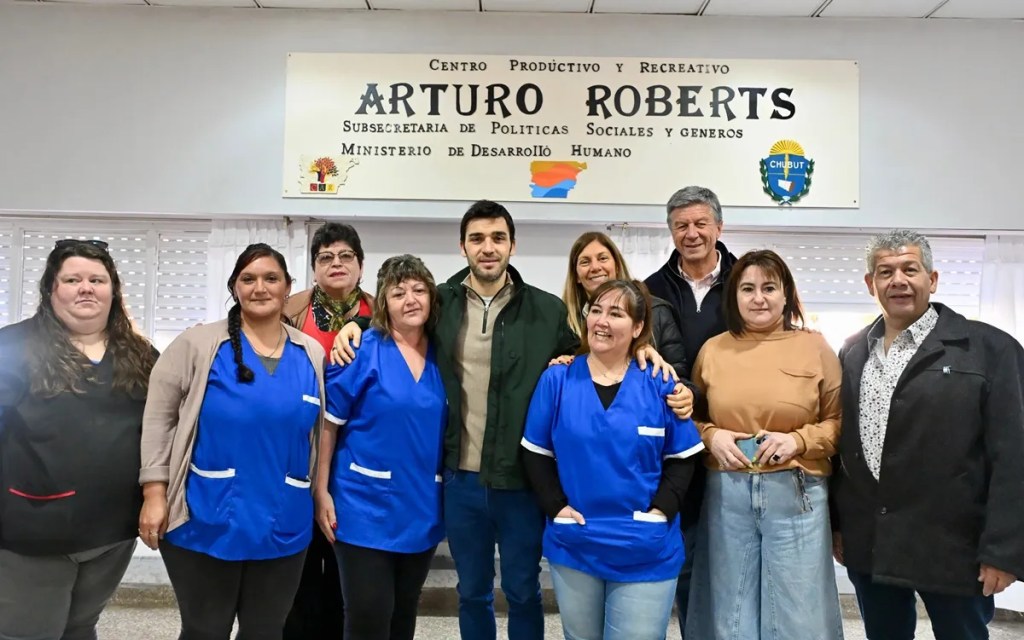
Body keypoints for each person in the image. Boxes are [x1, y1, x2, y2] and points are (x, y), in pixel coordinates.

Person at [332, 201, 689, 640]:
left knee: (523, 592)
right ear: (462, 245)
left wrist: (641, 350)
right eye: (477, 238)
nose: (488, 248)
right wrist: (358, 324)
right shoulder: (441, 301)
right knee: (473, 593)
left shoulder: (544, 311)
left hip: (519, 482)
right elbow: (402, 313)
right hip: (460, 481)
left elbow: (598, 351)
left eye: (498, 238)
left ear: (512, 245)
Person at [831, 229, 1024, 640]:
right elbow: (844, 448)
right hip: (872, 542)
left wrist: (1004, 551)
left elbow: (1015, 456)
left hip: (955, 547)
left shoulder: (990, 349)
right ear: (871, 284)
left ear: (931, 280)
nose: (897, 280)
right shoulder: (852, 352)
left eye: (909, 269)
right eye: (885, 272)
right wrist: (838, 525)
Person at [139, 243, 327, 640]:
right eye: (248, 279)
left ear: (288, 287)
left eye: (271, 278)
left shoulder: (310, 352)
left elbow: (316, 433)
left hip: (283, 519)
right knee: (205, 630)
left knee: (265, 631)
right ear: (235, 287)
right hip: (206, 516)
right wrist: (154, 493)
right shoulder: (199, 345)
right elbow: (158, 418)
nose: (260, 288)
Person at [522, 279, 704, 640]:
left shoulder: (659, 381)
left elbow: (683, 457)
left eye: (616, 313)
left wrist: (660, 513)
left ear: (637, 328)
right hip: (577, 540)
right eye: (597, 310)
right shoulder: (557, 379)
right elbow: (535, 452)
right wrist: (556, 508)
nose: (601, 321)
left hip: (645, 544)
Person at [0, 239, 158, 640]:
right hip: (36, 531)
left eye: (97, 280)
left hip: (112, 534)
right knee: (30, 633)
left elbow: (161, 428)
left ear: (113, 291)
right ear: (51, 289)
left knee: (80, 627)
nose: (86, 288)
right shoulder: (13, 346)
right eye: (72, 279)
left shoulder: (140, 355)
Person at [685, 249, 844, 640]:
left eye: (769, 288)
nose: (759, 298)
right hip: (728, 492)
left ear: (786, 294)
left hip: (797, 493)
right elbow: (688, 417)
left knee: (797, 613)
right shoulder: (713, 350)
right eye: (748, 288)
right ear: (734, 297)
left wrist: (798, 440)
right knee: (729, 611)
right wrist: (711, 436)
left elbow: (839, 423)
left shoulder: (816, 348)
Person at [316, 255, 446, 640]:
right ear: (384, 302)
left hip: (420, 506)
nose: (410, 299)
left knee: (403, 616)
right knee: (369, 618)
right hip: (362, 508)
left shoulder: (443, 354)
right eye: (398, 292)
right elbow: (328, 425)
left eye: (419, 290)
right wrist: (321, 491)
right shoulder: (359, 351)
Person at [643, 185, 739, 634]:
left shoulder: (749, 282)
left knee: (733, 561)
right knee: (682, 557)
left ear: (719, 227)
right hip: (673, 441)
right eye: (681, 225)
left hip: (736, 440)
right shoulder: (649, 291)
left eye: (701, 223)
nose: (692, 233)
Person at [284, 221, 373, 639]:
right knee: (299, 565)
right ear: (314, 266)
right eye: (325, 257)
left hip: (357, 453)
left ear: (360, 265)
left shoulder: (381, 312)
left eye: (345, 256)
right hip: (299, 449)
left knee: (346, 566)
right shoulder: (290, 310)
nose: (336, 264)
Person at [563, 231, 689, 379]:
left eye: (603, 258)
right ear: (576, 275)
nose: (595, 267)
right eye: (585, 262)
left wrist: (684, 391)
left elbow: (679, 375)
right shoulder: (564, 321)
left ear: (616, 265)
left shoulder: (657, 311)